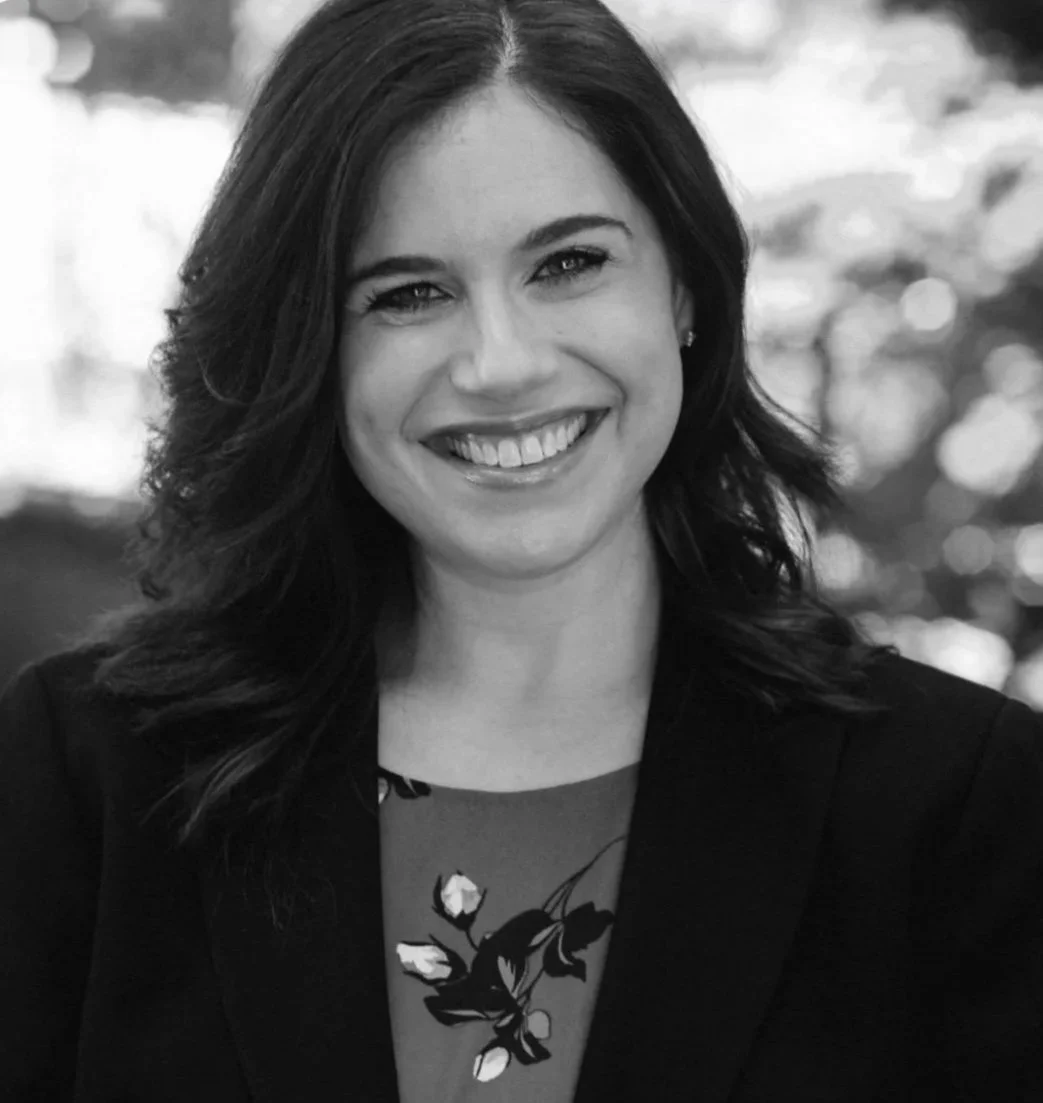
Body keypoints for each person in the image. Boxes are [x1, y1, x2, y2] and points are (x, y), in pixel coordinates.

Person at [2, 0, 1041, 1098]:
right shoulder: (86, 781)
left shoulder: (960, 808)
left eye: (568, 263)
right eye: (408, 294)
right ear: (307, 347)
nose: (500, 363)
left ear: (684, 286)